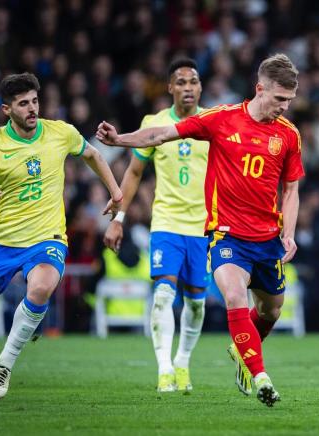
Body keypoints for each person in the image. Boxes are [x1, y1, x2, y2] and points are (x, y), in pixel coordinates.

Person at [96, 54, 304, 407]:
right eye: (279, 99)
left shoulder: (288, 135)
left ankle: (241, 350)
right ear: (259, 89)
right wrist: (119, 141)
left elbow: (292, 189)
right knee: (234, 297)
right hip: (225, 234)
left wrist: (290, 232)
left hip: (267, 237)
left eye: (289, 100)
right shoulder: (221, 120)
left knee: (271, 311)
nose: (284, 107)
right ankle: (260, 376)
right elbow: (160, 133)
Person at [0, 72, 122, 399]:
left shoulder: (60, 132)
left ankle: (4, 364)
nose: (32, 108)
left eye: (35, 101)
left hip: (47, 238)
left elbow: (94, 155)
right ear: (6, 109)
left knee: (41, 287)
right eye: (23, 103)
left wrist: (115, 193)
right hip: (2, 241)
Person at [103, 58, 210, 393]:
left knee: (196, 302)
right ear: (169, 88)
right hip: (165, 222)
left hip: (203, 227)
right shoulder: (155, 122)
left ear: (200, 87)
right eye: (180, 82)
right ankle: (164, 369)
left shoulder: (212, 123)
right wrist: (119, 217)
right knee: (163, 294)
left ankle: (182, 362)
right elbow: (134, 172)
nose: (188, 88)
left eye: (193, 81)